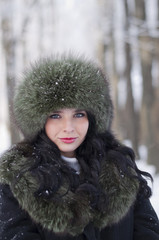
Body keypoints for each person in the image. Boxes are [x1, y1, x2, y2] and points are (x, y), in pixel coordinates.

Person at [0, 55, 159, 240]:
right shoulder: (17, 178)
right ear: (39, 121)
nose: (69, 127)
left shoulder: (120, 168)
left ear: (92, 118)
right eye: (56, 116)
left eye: (79, 114)